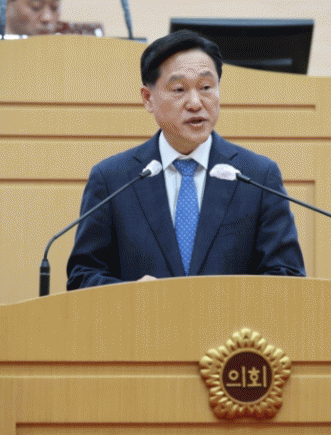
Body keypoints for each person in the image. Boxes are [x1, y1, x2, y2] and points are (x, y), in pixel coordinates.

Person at [66, 30, 305, 290]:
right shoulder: (113, 179)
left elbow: (288, 276)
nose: (195, 103)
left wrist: (227, 300)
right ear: (148, 99)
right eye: (179, 89)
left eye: (206, 88)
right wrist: (130, 295)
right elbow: (82, 276)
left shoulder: (257, 176)